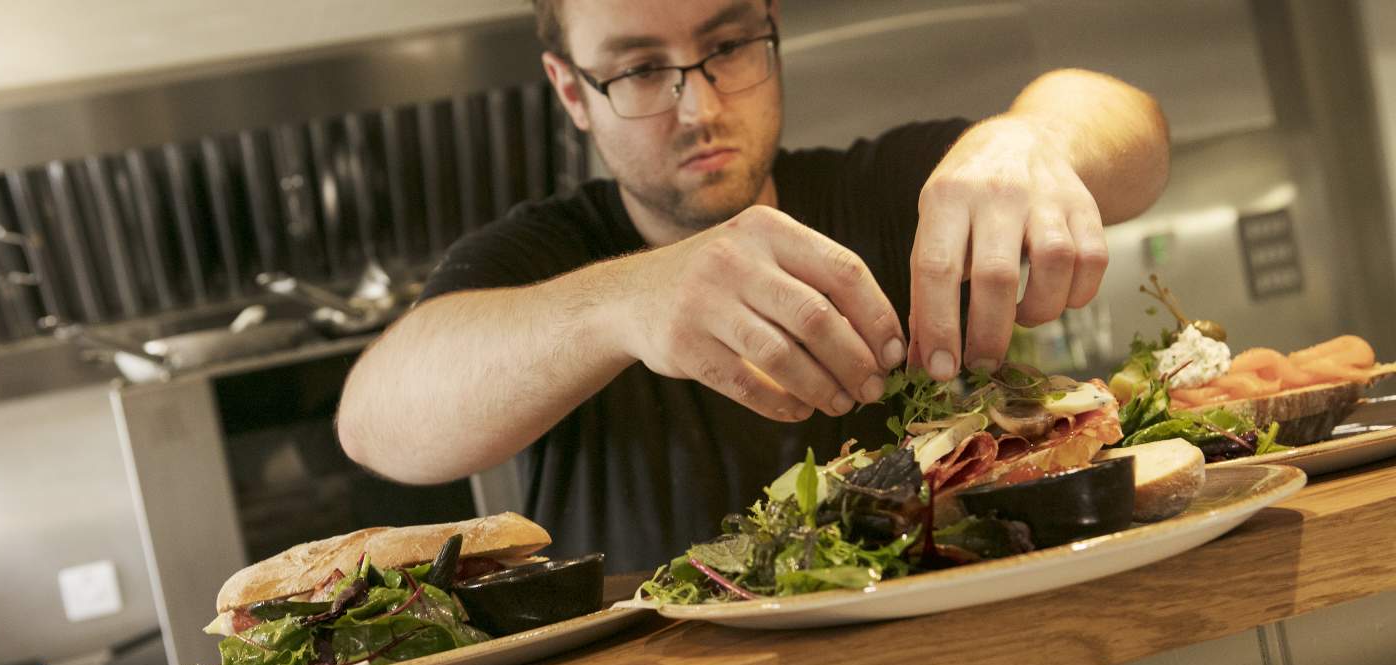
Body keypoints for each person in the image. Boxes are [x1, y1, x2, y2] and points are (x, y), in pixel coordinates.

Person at [337, 0, 1170, 571]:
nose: (696, 105)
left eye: (728, 46)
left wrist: (1032, 136)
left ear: (770, 28)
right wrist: (625, 303)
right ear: (570, 91)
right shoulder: (545, 254)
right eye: (636, 70)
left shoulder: (885, 189)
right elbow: (375, 424)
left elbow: (1136, 137)